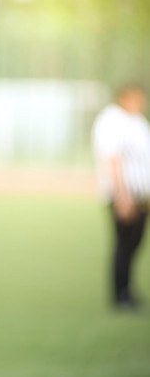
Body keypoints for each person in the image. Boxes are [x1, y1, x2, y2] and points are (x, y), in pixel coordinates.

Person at [92, 85, 150, 309]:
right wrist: (122, 196)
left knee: (135, 243)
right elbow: (112, 159)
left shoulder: (136, 121)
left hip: (141, 195)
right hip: (126, 196)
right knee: (124, 245)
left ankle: (128, 290)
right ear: (125, 97)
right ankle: (121, 295)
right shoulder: (112, 121)